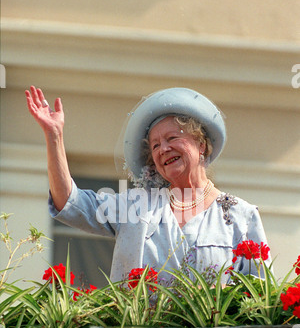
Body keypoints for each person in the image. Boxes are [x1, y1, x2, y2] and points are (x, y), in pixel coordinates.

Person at [25, 86, 271, 284]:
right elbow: (70, 202)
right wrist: (54, 136)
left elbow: (258, 297)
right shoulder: (136, 206)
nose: (163, 149)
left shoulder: (241, 215)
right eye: (155, 145)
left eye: (173, 138)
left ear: (201, 144)